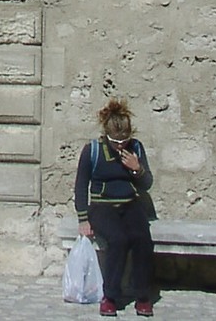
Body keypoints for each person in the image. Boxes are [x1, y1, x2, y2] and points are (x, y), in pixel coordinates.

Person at [74, 98, 155, 317]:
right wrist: (83, 218)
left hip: (130, 204)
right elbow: (81, 185)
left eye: (124, 140)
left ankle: (142, 295)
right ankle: (110, 296)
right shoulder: (92, 150)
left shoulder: (136, 148)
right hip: (102, 206)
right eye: (115, 141)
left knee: (142, 239)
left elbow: (147, 184)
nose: (120, 145)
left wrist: (137, 169)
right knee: (118, 240)